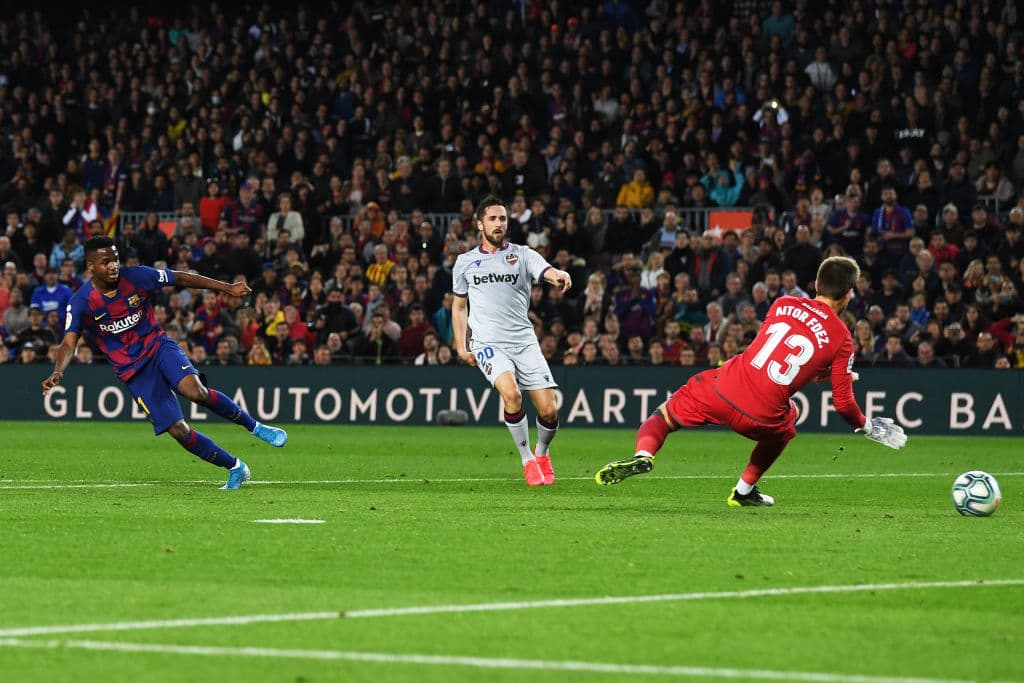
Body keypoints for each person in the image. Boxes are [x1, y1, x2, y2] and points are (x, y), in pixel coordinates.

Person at [595, 256, 908, 505]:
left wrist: (819, 372)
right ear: (849, 294)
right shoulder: (842, 338)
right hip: (761, 414)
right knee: (788, 423)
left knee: (664, 414)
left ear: (815, 284)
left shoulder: (782, 303)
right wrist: (867, 426)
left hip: (724, 385)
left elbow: (777, 351)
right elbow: (842, 403)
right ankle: (744, 491)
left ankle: (643, 455)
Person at [41, 236, 289, 490]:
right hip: (133, 372)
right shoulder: (81, 302)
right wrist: (58, 371)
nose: (114, 265)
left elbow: (179, 277)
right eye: (106, 262)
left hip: (158, 347)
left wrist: (226, 287)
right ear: (91, 266)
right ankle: (235, 467)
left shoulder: (137, 276)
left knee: (197, 392)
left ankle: (257, 428)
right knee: (179, 430)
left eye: (115, 259)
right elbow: (69, 343)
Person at [452, 195, 573, 487]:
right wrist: (461, 345)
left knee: (548, 410)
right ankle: (527, 461)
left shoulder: (522, 254)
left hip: (524, 341)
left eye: (502, 219)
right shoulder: (465, 262)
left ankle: (541, 453)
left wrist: (560, 275)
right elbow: (458, 306)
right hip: (488, 343)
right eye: (492, 219)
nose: (498, 224)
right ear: (480, 224)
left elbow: (547, 271)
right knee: (512, 395)